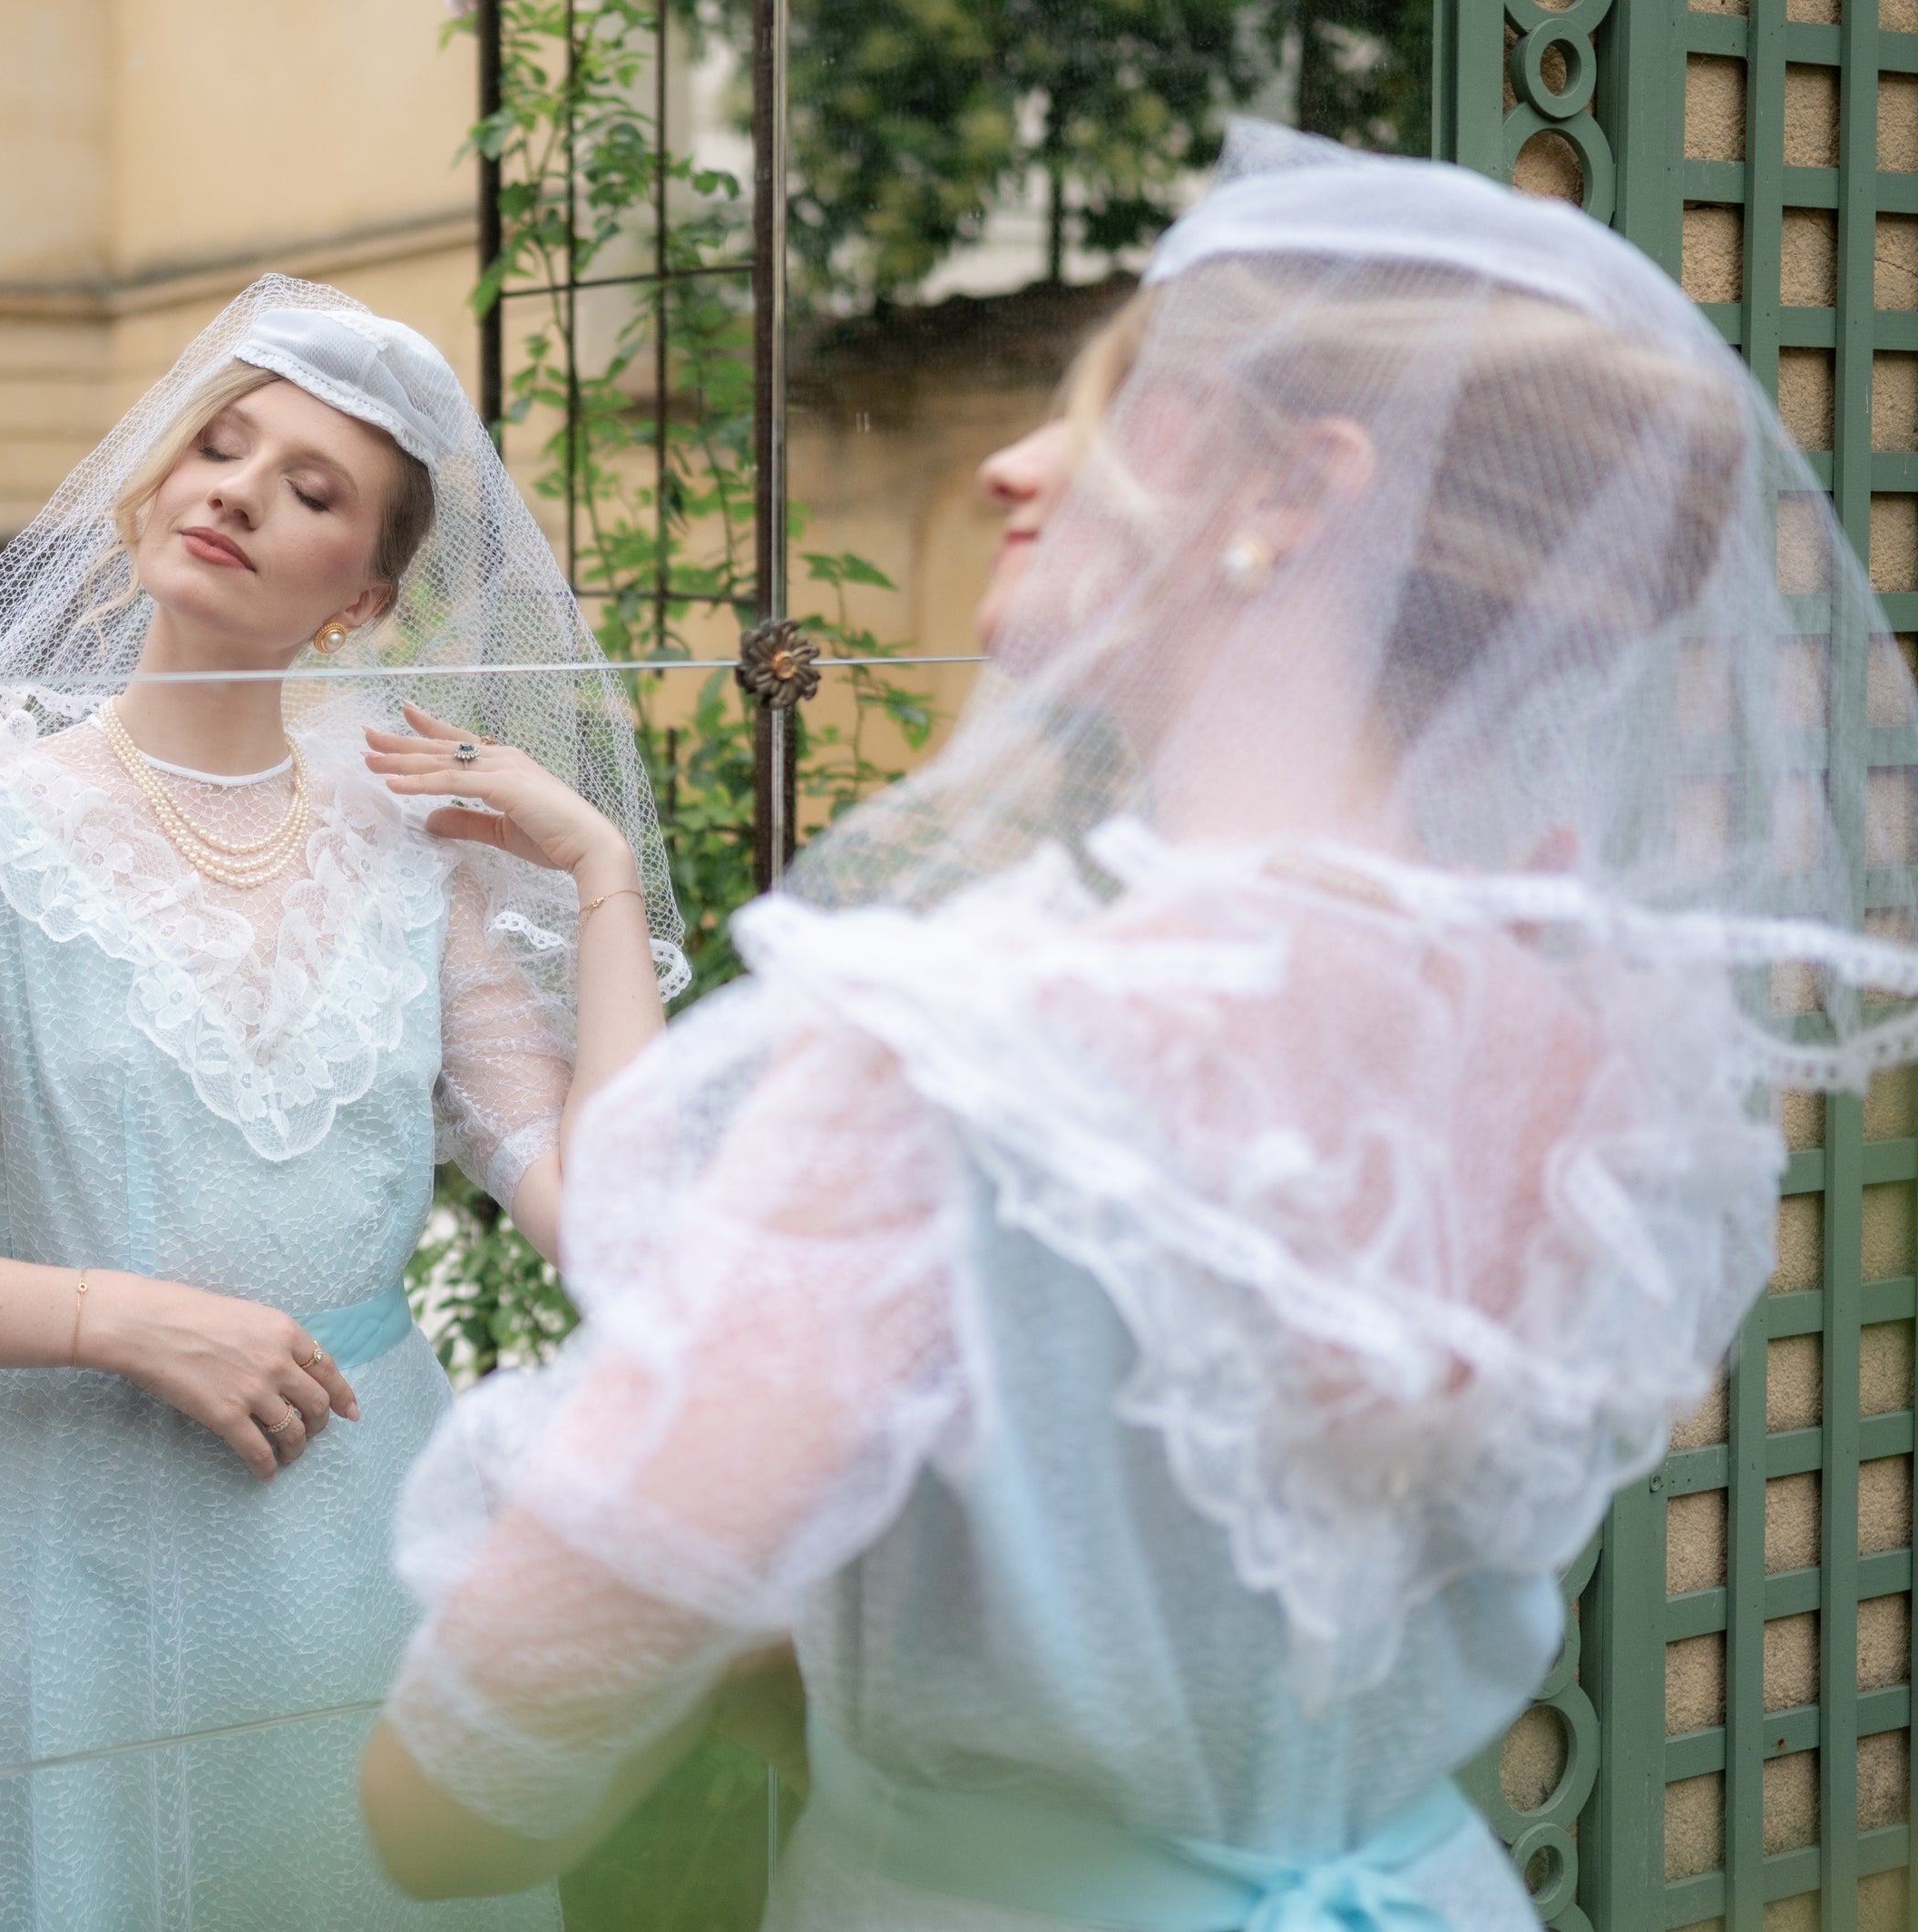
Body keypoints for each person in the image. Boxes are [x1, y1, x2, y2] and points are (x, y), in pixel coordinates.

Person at [359, 123, 1918, 1930]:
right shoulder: (1591, 1054)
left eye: (1109, 412)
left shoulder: (962, 1047)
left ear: (1295, 490)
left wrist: (826, 1686)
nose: (1015, 464)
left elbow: (455, 1808)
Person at [0, 277, 680, 1928]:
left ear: (364, 596)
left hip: (371, 1549)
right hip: (66, 1565)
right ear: (153, 477)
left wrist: (598, 865)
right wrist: (111, 1312)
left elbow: (622, 1228)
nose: (238, 493)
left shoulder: (419, 832)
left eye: (314, 490)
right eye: (220, 445)